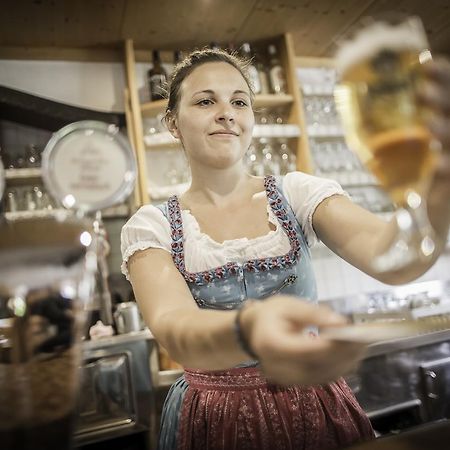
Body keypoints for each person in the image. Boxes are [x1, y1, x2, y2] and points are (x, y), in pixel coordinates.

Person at [121, 48, 450, 450]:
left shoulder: (297, 193)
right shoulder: (151, 225)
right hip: (212, 419)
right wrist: (250, 331)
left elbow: (397, 261)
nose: (226, 112)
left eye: (239, 101)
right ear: (172, 122)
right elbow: (176, 330)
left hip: (314, 407)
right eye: (206, 101)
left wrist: (439, 183)